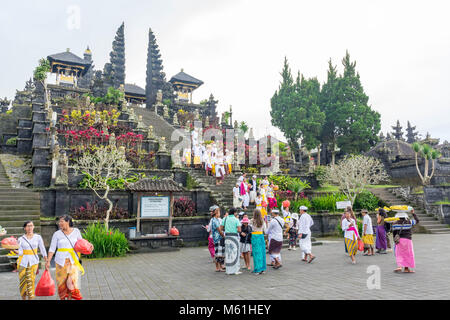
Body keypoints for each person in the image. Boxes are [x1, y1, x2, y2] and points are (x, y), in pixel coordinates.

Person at [46, 215, 84, 300]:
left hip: (73, 260)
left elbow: (81, 243)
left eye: (62, 221)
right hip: (60, 261)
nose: (60, 223)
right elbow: (52, 248)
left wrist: (89, 246)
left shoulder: (76, 231)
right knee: (61, 283)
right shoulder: (57, 234)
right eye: (59, 222)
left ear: (68, 222)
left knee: (71, 282)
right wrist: (48, 261)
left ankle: (69, 298)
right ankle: (62, 298)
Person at [16, 221, 48, 300]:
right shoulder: (21, 239)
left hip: (33, 262)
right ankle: (23, 298)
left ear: (33, 227)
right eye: (28, 226)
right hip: (22, 262)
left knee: (31, 281)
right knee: (23, 282)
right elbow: (20, 252)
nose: (30, 227)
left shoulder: (38, 237)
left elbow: (42, 248)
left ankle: (31, 298)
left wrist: (46, 259)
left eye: (31, 226)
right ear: (25, 228)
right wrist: (14, 251)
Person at [392, 209, 420, 273]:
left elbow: (394, 233)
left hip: (399, 240)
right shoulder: (409, 222)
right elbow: (417, 221)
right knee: (408, 254)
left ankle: (399, 266)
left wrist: (395, 240)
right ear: (405, 216)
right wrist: (413, 213)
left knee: (399, 253)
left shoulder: (395, 223)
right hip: (408, 240)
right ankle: (406, 269)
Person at [220, 208, 242, 275]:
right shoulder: (236, 219)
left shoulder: (225, 218)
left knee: (228, 253)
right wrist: (234, 228)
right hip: (234, 237)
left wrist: (226, 228)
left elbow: (220, 228)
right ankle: (235, 270)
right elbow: (239, 230)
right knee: (235, 253)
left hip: (227, 237)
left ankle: (228, 270)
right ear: (234, 213)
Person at [250, 209, 267, 275]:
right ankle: (262, 268)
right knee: (262, 252)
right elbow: (265, 230)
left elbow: (250, 228)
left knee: (256, 253)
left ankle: (257, 269)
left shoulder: (252, 221)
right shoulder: (262, 221)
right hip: (261, 236)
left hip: (254, 236)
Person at [210, 206, 225, 272]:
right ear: (216, 213)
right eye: (219, 212)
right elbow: (219, 230)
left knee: (219, 252)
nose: (220, 213)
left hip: (217, 238)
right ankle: (218, 267)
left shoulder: (215, 220)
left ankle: (219, 267)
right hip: (218, 238)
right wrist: (224, 236)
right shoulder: (215, 220)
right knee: (219, 253)